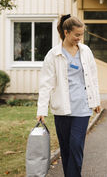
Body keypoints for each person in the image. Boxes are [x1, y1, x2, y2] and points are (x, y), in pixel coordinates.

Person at [36, 14, 101, 177]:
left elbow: (93, 78)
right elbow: (46, 84)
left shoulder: (86, 51)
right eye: (77, 35)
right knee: (65, 148)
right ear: (66, 33)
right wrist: (41, 110)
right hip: (62, 108)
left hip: (82, 107)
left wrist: (96, 100)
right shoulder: (53, 54)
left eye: (82, 34)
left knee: (76, 145)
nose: (80, 38)